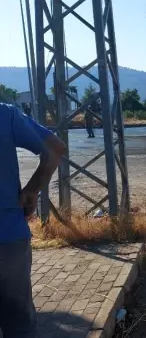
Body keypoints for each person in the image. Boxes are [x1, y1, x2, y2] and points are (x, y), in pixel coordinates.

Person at [0, 103, 65, 337]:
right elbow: (55, 148)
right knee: (19, 326)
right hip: (7, 238)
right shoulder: (5, 115)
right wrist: (32, 189)